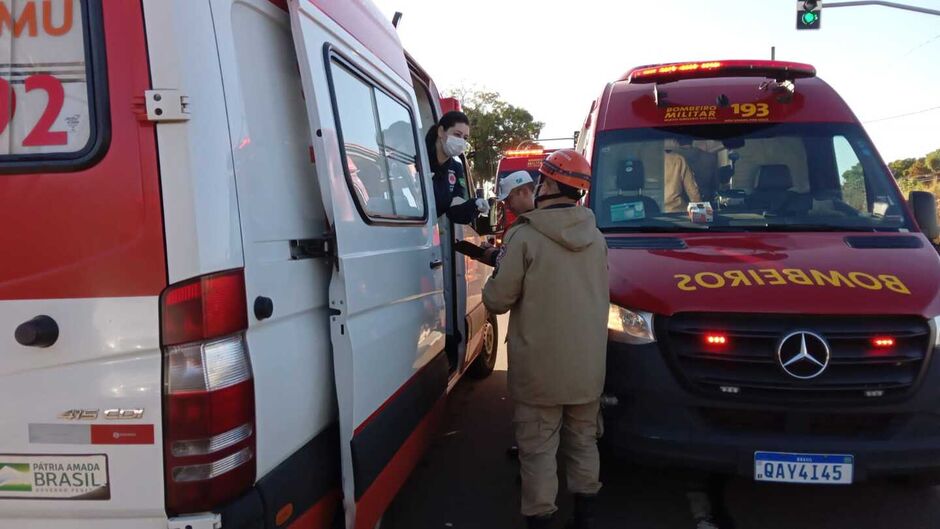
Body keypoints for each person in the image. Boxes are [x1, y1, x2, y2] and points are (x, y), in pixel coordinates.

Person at [482, 149, 609, 529]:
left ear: (551, 184)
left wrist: (498, 268)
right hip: (587, 369)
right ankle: (585, 517)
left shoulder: (524, 236)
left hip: (539, 370)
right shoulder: (597, 237)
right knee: (584, 441)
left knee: (537, 450)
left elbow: (496, 300)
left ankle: (541, 520)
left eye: (541, 180)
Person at [425, 111, 489, 224]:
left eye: (465, 138)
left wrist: (475, 204)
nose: (461, 142)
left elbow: (455, 211)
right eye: (457, 135)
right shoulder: (420, 157)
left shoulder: (456, 168)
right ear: (441, 131)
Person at [477, 170, 536, 267]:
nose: (507, 206)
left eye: (509, 199)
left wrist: (493, 255)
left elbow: (515, 266)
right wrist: (498, 252)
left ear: (524, 192)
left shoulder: (538, 225)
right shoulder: (533, 222)